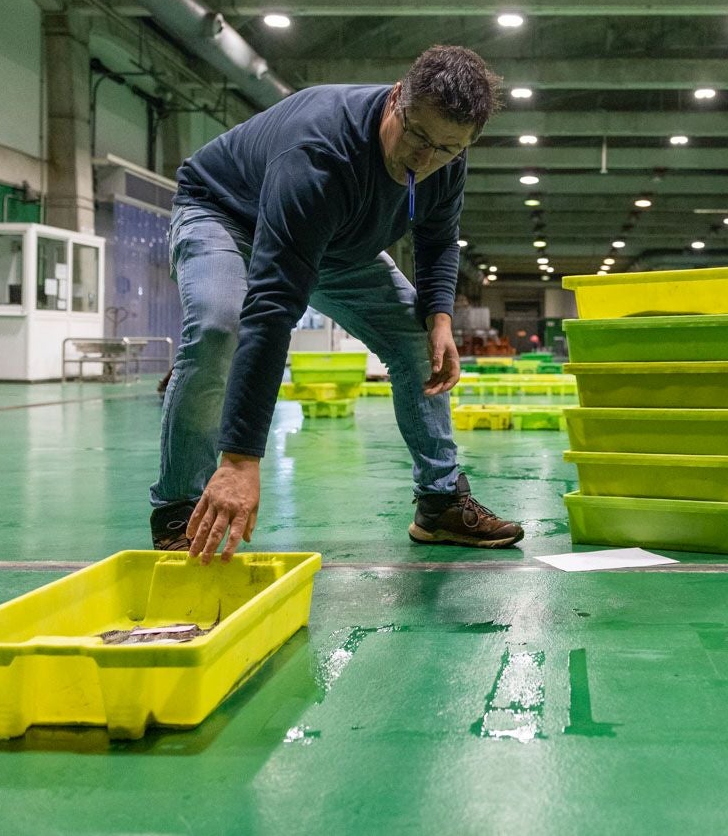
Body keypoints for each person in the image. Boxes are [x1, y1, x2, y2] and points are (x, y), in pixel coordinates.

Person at [150, 45, 524, 562]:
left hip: (340, 244)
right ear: (396, 99)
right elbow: (272, 305)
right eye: (416, 136)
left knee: (419, 345)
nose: (424, 158)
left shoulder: (444, 158)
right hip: (229, 216)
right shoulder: (319, 154)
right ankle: (177, 506)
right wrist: (239, 460)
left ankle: (439, 504)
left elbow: (439, 237)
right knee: (221, 328)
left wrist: (440, 317)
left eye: (445, 149)